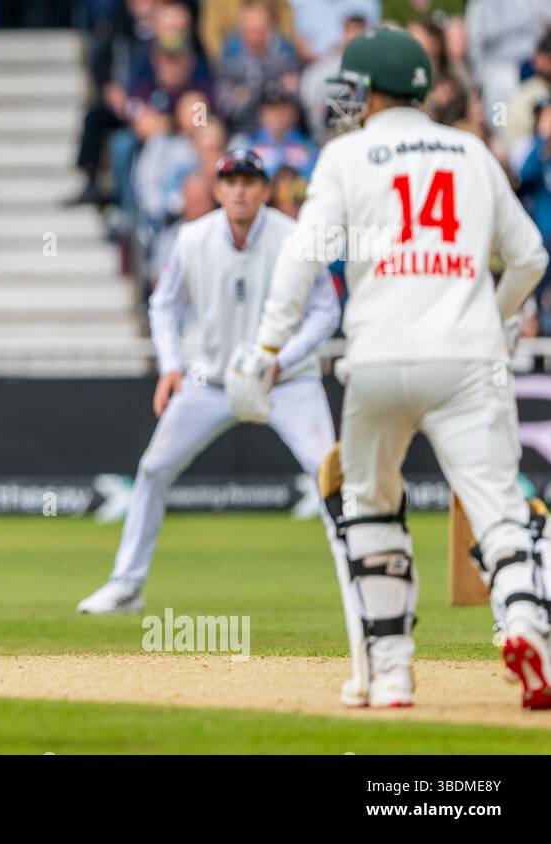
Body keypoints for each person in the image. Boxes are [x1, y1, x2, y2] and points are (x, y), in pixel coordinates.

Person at [226, 28, 551, 710]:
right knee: (497, 505)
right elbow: (530, 258)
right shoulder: (471, 150)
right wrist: (491, 316)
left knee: (372, 507)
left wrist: (264, 350)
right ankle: (524, 624)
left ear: (368, 92)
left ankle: (394, 673)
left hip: (376, 359)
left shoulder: (346, 155)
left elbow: (301, 259)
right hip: (465, 358)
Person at [77, 149, 342, 615]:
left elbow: (326, 310)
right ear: (218, 190)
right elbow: (164, 305)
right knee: (154, 469)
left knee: (329, 479)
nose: (239, 190)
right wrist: (172, 365)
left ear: (264, 190)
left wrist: (282, 359)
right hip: (212, 380)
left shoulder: (294, 237)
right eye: (230, 182)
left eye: (249, 182)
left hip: (287, 383)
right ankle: (126, 584)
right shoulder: (192, 238)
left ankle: (358, 588)